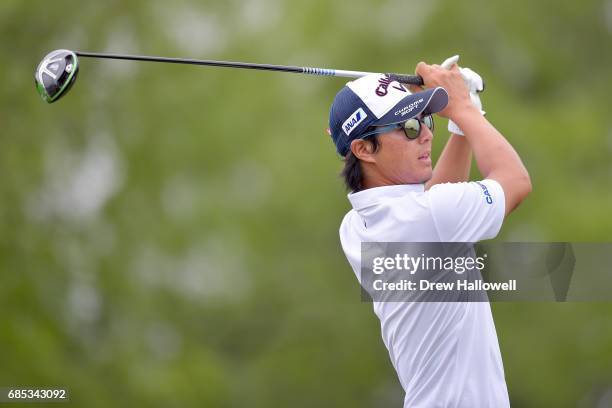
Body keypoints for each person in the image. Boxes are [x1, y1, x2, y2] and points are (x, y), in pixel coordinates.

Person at [327, 61, 531, 407]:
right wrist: (465, 109)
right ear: (363, 149)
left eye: (426, 120)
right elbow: (515, 180)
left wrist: (462, 124)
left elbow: (437, 208)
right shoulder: (428, 216)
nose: (425, 134)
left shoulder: (356, 225)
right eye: (408, 126)